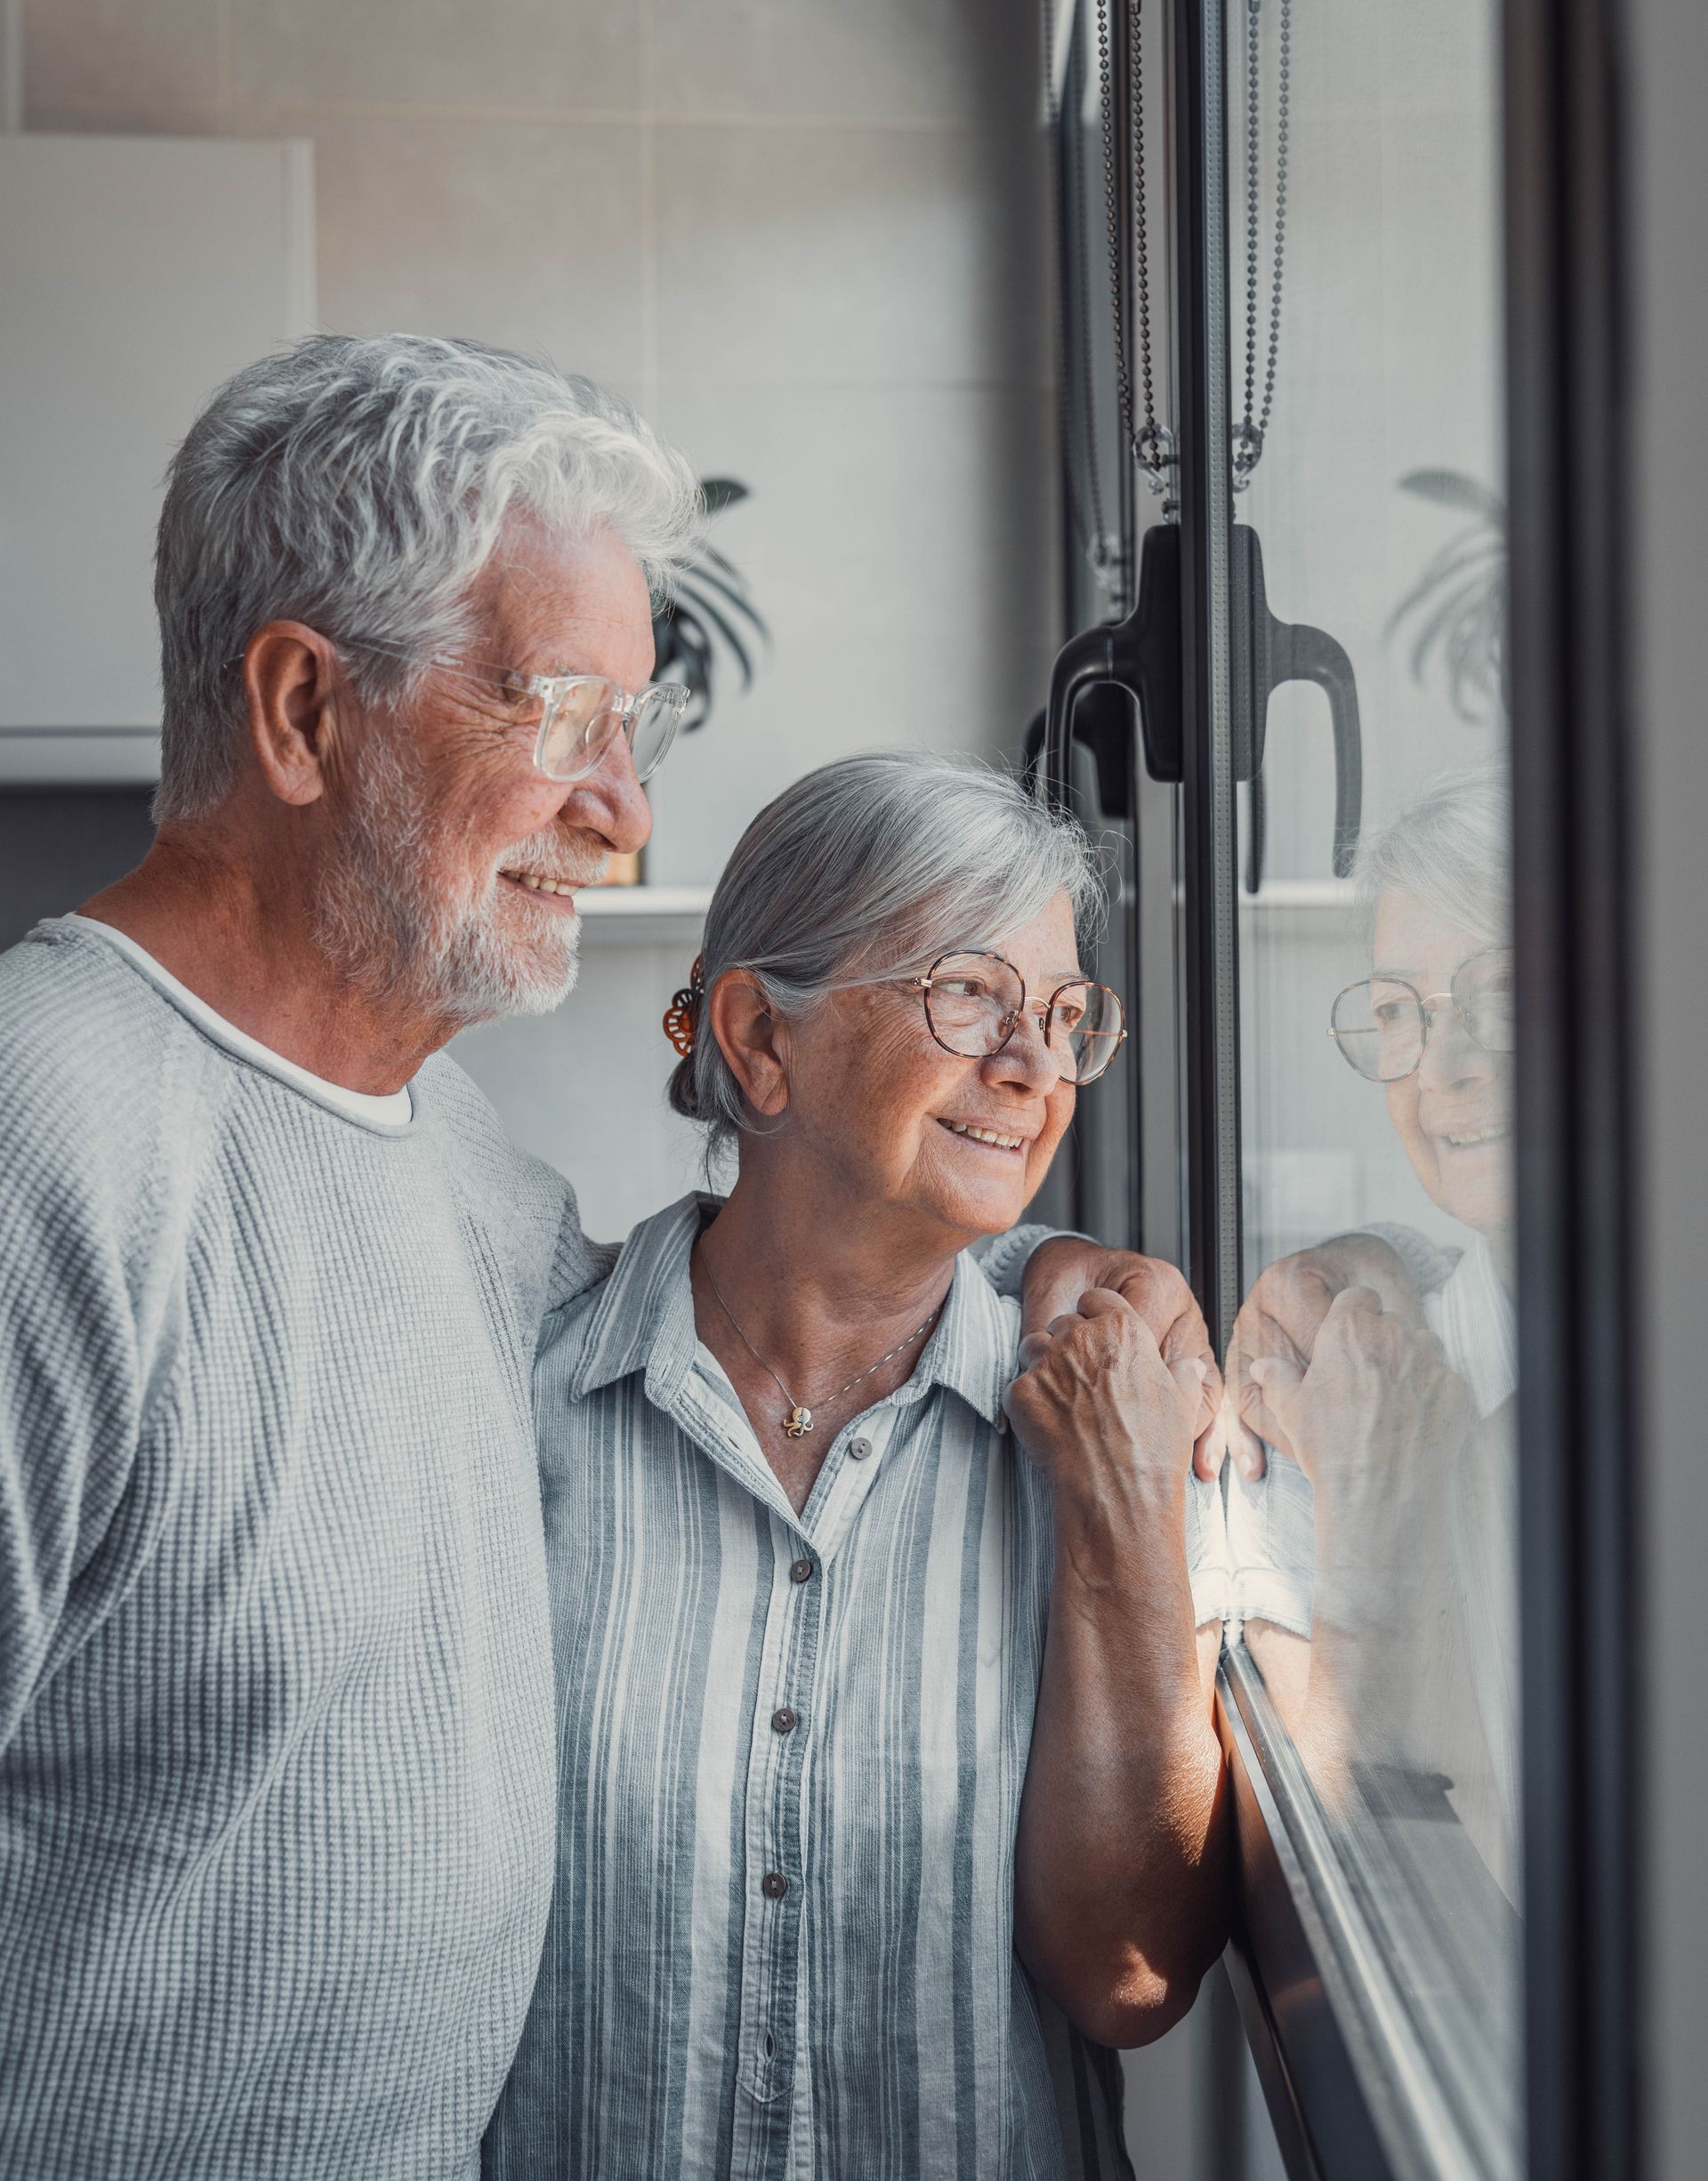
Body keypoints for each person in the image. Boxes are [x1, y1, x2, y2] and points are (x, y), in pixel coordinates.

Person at [0, 333, 1221, 2177]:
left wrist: (1072, 1270)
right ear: (306, 712)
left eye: (630, 734)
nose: (624, 810)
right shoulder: (43, 1137)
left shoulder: (466, 1187)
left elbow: (809, 1259)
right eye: (562, 717)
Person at [486, 752, 1230, 2181]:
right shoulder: (522, 1398)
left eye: (1067, 1017)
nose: (1030, 1066)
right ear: (763, 1039)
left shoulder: (1115, 1400)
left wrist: (1119, 1510)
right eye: (967, 996)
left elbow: (1130, 1976)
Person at [1224, 770, 1516, 1889]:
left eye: (1506, 995)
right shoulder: (1314, 1388)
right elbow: (1328, 1871)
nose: (1446, 1068)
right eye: (1401, 1010)